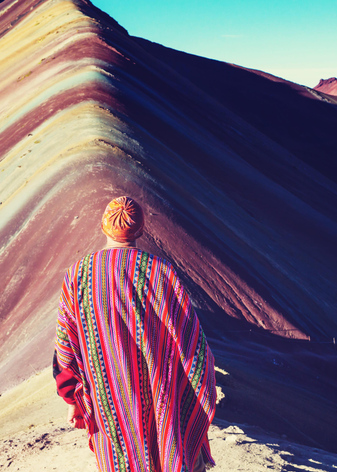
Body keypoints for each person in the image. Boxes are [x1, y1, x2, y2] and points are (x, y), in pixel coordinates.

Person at [54, 196, 216, 472]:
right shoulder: (161, 273)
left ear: (103, 227)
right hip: (163, 398)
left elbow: (66, 348)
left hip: (110, 401)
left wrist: (73, 399)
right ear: (140, 231)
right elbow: (192, 347)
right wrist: (195, 394)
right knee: (171, 450)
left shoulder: (78, 275)